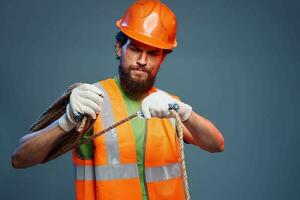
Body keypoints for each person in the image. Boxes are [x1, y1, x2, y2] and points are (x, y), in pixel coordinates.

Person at [11, 0, 224, 199]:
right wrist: (66, 122)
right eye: (134, 49)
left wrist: (185, 112)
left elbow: (216, 144)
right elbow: (20, 159)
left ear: (163, 58)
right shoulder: (89, 101)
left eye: (152, 53)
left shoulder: (168, 106)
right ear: (118, 48)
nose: (142, 60)